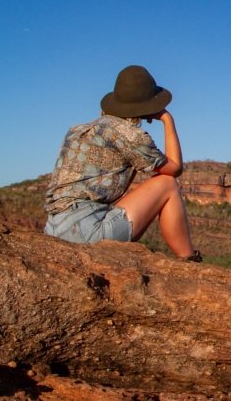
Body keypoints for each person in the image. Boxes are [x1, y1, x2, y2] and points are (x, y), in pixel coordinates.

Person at [43, 65, 201, 262]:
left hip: (52, 228)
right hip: (86, 232)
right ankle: (189, 259)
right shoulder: (130, 135)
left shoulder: (78, 130)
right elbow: (175, 168)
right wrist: (167, 120)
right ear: (148, 106)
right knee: (166, 184)